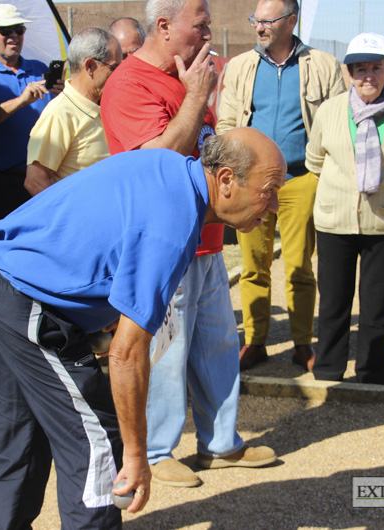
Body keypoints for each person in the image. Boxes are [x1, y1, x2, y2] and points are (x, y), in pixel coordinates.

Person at [0, 127, 285, 529]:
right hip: (25, 297)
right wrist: (137, 456)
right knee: (96, 438)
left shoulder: (174, 167)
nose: (273, 205)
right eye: (268, 190)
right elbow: (126, 354)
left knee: (20, 432)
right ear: (225, 180)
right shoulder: (173, 224)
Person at [101, 0, 276, 489]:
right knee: (166, 352)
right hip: (163, 245)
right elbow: (154, 166)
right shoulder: (130, 84)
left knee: (218, 343)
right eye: (200, 27)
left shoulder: (185, 78)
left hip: (207, 240)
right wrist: (198, 96)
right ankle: (157, 451)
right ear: (164, 26)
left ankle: (220, 443)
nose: (208, 35)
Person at [217, 0, 345, 371]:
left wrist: (323, 175)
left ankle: (303, 344)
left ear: (291, 21)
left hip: (300, 181)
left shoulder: (322, 66)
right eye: (255, 20)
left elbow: (335, 122)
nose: (258, 27)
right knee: (253, 267)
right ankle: (256, 342)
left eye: (267, 21)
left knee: (300, 267)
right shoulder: (241, 67)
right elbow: (227, 122)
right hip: (250, 187)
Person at [305, 33, 384, 385]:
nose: (368, 76)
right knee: (333, 303)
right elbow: (316, 161)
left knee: (377, 306)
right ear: (349, 73)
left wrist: (380, 185)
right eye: (360, 69)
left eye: (376, 67)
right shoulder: (329, 111)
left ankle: (372, 374)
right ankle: (328, 370)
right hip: (334, 220)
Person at [0, 3, 62, 221]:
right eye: (5, 30)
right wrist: (21, 101)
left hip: (42, 177)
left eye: (19, 29)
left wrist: (63, 95)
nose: (13, 36)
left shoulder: (39, 68)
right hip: (1, 182)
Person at [24, 28, 121, 196]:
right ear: (90, 66)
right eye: (115, 67)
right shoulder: (59, 114)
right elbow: (35, 181)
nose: (120, 74)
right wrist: (72, 220)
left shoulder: (106, 105)